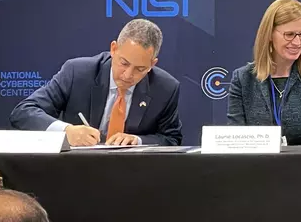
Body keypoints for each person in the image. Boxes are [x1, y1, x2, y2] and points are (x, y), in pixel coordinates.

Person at [10, 19, 182, 147]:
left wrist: (138, 140)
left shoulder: (166, 88)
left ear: (152, 64)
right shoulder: (77, 73)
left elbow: (172, 138)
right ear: (113, 49)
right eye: (124, 63)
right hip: (75, 172)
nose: (128, 75)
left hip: (133, 177)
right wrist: (66, 132)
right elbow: (24, 112)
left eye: (140, 69)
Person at [228, 0, 301, 145]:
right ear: (270, 35)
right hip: (256, 166)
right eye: (290, 34)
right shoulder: (242, 79)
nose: (298, 43)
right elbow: (236, 141)